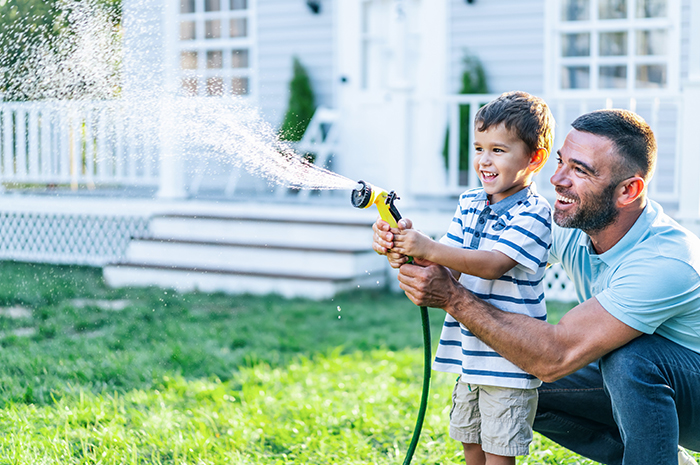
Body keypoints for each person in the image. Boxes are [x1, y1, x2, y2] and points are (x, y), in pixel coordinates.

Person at [373, 108, 700, 465]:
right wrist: (414, 252)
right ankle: (660, 457)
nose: (557, 179)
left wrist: (452, 297)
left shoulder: (667, 261)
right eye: (561, 162)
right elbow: (480, 256)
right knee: (515, 380)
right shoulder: (570, 224)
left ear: (628, 190)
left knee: (631, 360)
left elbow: (556, 356)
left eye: (579, 170)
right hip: (660, 390)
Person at [388, 91, 555, 465]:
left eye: (498, 150)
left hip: (509, 362)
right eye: (479, 148)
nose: (484, 160)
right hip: (469, 356)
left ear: (535, 158)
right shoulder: (470, 202)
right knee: (471, 446)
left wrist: (428, 247)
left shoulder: (534, 211)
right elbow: (449, 267)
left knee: (498, 453)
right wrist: (403, 250)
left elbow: (493, 263)